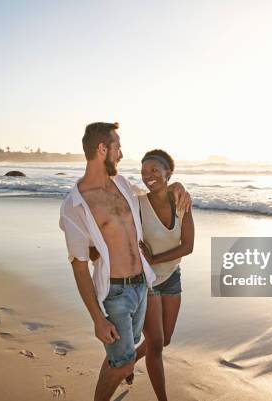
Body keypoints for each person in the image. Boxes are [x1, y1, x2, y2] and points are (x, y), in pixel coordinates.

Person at [58, 122, 190, 401]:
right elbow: (79, 266)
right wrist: (97, 318)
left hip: (143, 284)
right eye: (117, 147)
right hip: (116, 292)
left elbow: (154, 190)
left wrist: (177, 184)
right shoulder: (76, 205)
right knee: (125, 363)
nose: (121, 154)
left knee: (125, 355)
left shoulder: (121, 184)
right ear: (102, 149)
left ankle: (118, 370)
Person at [132, 149, 194, 401]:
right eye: (145, 171)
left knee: (165, 339)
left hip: (172, 276)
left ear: (168, 173)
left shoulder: (182, 202)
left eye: (155, 170)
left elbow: (187, 246)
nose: (149, 176)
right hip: (147, 281)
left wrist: (156, 258)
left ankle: (131, 358)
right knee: (156, 345)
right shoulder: (138, 203)